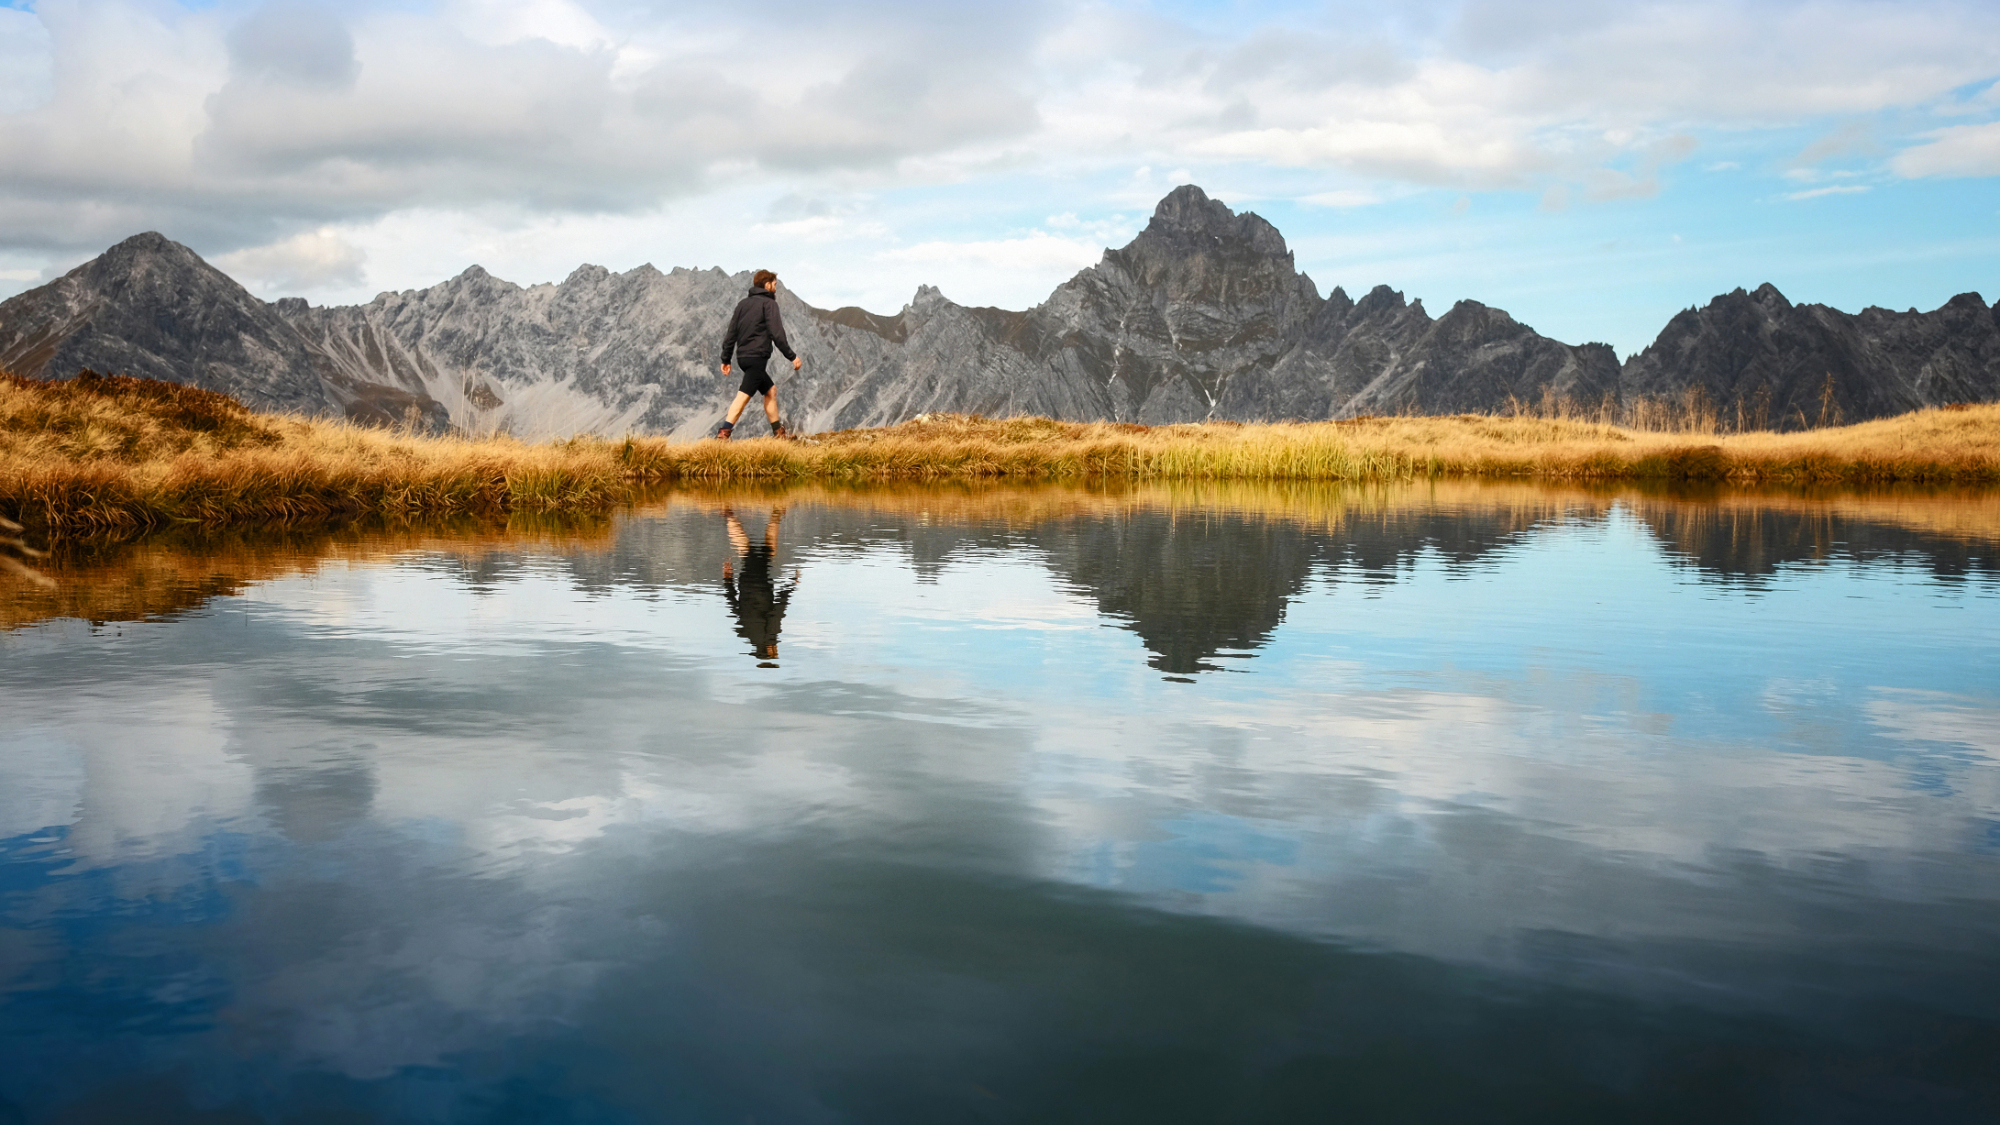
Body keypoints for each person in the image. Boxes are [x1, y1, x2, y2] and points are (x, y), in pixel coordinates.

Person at [716, 269, 802, 440]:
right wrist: (792, 356)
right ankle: (723, 434)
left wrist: (726, 359)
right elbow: (777, 334)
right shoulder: (769, 304)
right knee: (743, 395)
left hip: (743, 358)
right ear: (767, 284)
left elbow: (731, 333)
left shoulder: (742, 305)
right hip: (757, 357)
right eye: (774, 285)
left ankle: (778, 434)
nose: (776, 288)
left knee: (770, 390)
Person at [721, 504, 798, 666]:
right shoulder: (744, 632)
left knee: (768, 549)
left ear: (769, 651)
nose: (776, 649)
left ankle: (776, 512)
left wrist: (791, 585)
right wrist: (728, 581)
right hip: (745, 582)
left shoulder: (770, 635)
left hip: (761, 583)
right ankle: (729, 515)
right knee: (746, 551)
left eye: (775, 653)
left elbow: (778, 610)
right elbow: (733, 605)